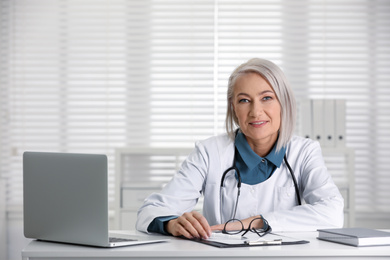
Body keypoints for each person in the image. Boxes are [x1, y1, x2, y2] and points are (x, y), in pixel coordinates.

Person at [136, 58, 344, 240]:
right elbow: (151, 211)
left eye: (267, 98)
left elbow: (333, 213)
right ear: (234, 108)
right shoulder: (209, 152)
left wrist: (252, 223)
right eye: (244, 100)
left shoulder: (304, 152)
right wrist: (172, 224)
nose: (256, 111)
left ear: (284, 102)